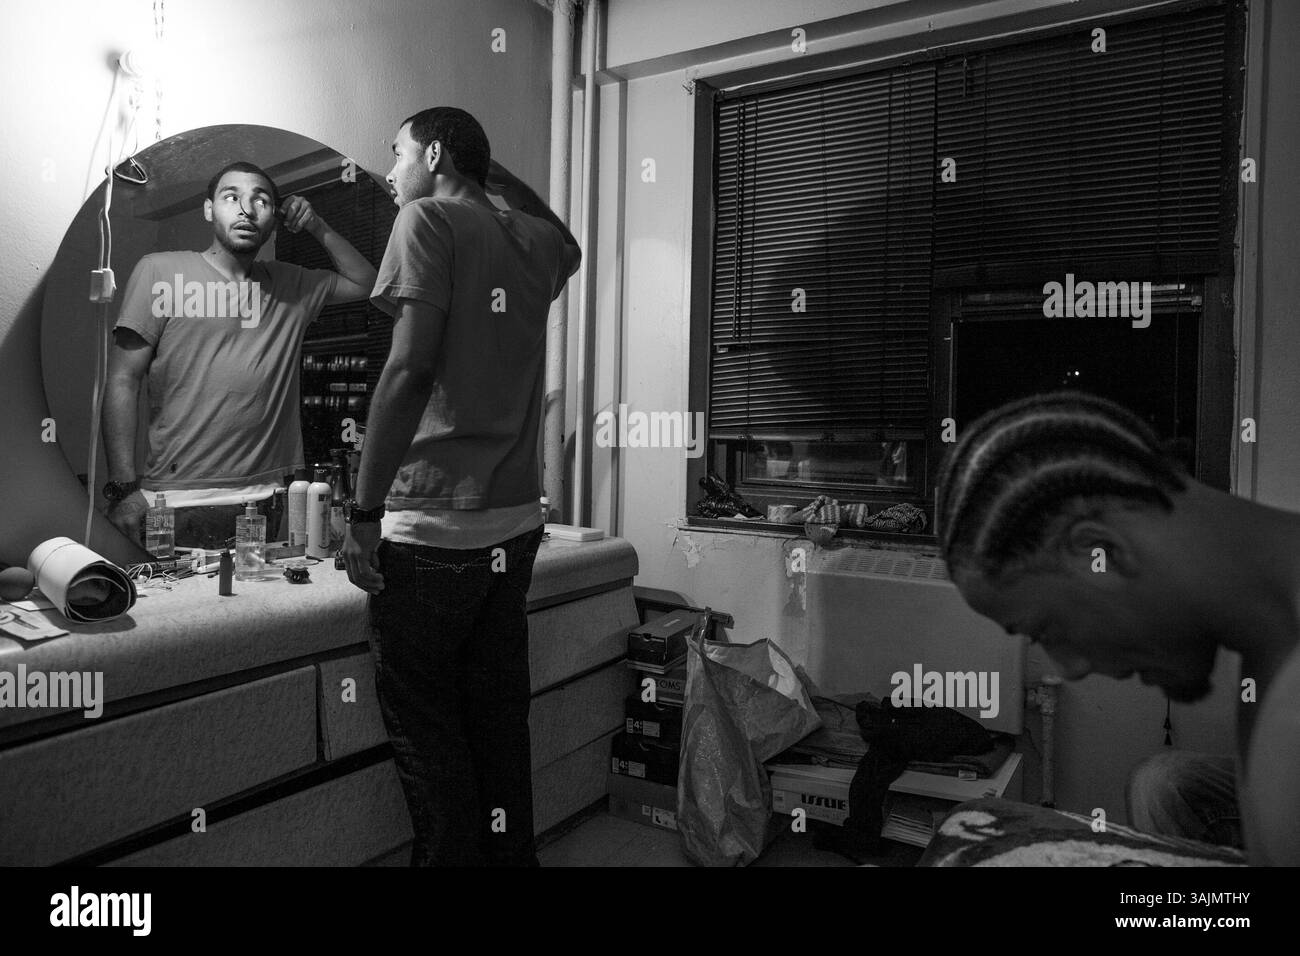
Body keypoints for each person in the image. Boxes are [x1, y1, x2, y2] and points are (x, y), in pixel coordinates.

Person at [340, 107, 581, 866]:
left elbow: (408, 370)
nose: (388, 172)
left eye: (397, 151)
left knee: (429, 734)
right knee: (498, 720)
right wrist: (482, 166)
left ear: (434, 155)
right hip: (513, 526)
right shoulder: (536, 243)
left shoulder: (426, 221)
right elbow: (566, 237)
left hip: (432, 526)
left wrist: (363, 511)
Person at [936, 390, 1300, 866]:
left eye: (1049, 629)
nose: (1073, 669)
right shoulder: (1271, 643)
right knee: (1167, 784)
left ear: (1097, 550)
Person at [103, 161, 377, 549]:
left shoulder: (291, 284)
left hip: (267, 498)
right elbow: (122, 380)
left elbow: (364, 281)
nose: (246, 209)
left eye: (261, 201)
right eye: (232, 197)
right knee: (178, 612)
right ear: (209, 209)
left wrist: (316, 225)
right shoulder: (161, 271)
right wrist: (121, 488)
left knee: (260, 610)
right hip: (176, 499)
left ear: (274, 219)